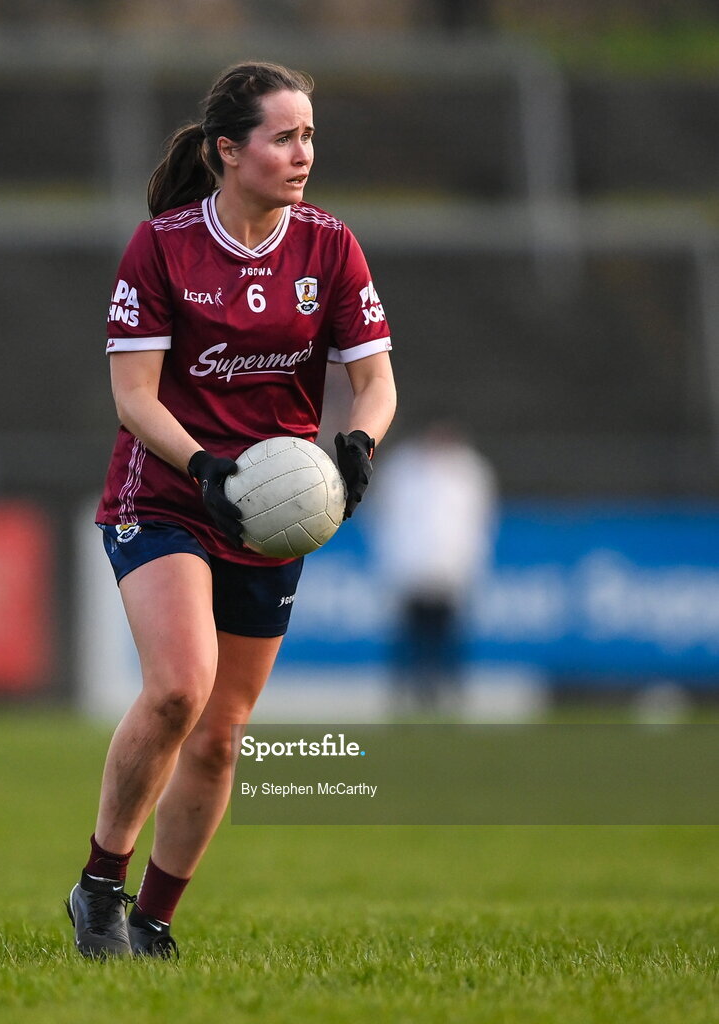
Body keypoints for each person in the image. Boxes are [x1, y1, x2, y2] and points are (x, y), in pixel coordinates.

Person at [66, 61, 396, 959]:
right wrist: (208, 467)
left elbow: (374, 383)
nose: (303, 155)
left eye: (310, 136)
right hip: (169, 491)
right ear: (227, 150)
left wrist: (358, 445)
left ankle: (155, 920)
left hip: (273, 513)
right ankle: (100, 883)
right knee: (180, 688)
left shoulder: (329, 246)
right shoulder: (164, 246)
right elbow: (134, 397)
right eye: (284, 137)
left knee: (220, 737)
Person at [374, 421, 496, 711]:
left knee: (449, 638)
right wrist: (392, 560)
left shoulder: (470, 472)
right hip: (409, 567)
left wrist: (467, 563)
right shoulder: (402, 469)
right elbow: (385, 517)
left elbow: (478, 522)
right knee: (408, 637)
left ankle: (449, 696)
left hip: (450, 568)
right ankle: (403, 696)